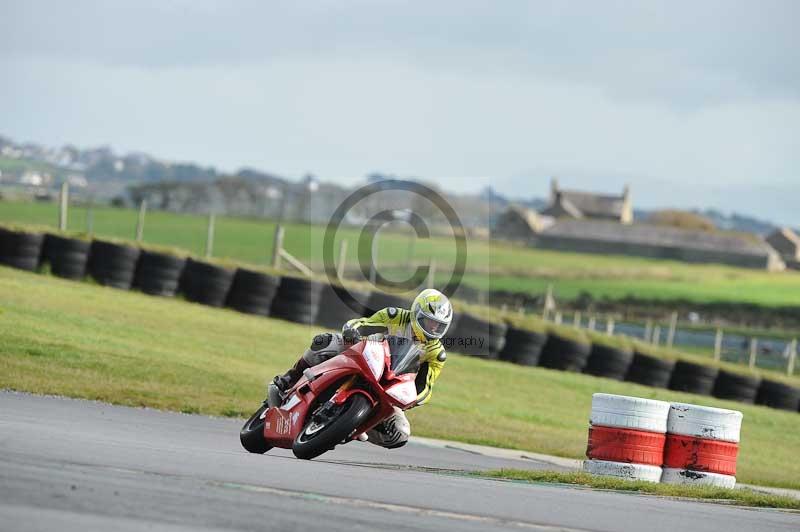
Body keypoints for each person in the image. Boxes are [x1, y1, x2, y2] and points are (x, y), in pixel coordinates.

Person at [270, 288, 453, 449]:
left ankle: (355, 426)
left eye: (439, 325)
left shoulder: (437, 353)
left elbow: (425, 387)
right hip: (366, 354)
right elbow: (364, 323)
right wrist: (351, 331)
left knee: (400, 433)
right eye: (429, 322)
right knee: (323, 341)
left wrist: (411, 399)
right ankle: (287, 380)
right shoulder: (395, 315)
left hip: (391, 385)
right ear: (416, 313)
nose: (433, 328)